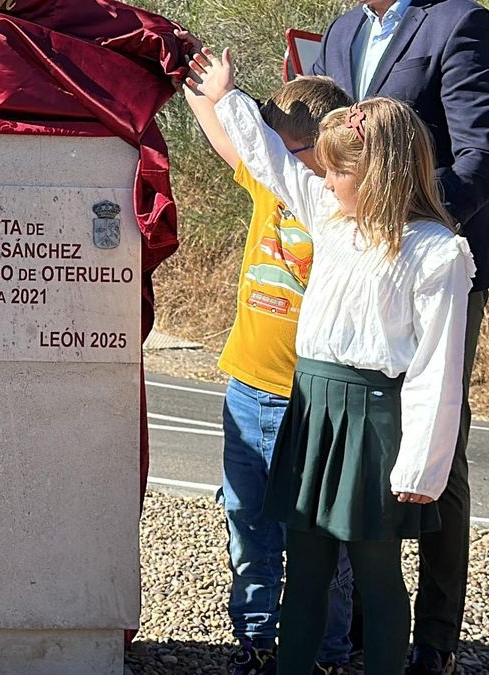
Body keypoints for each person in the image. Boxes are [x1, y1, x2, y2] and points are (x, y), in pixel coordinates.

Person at [188, 48, 474, 674]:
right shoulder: (331, 217)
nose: (320, 179)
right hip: (312, 411)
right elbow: (269, 161)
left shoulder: (437, 253)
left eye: (335, 171)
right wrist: (226, 97)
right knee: (308, 568)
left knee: (375, 572)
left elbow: (435, 370)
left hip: (373, 421)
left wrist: (421, 467)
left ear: (376, 176)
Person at [310, 2, 489, 669]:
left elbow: (479, 152)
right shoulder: (340, 32)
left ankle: (435, 635)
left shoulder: (457, 23)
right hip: (353, 261)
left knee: (439, 437)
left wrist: (416, 226)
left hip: (432, 261)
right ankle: (359, 621)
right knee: (360, 432)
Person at [184, 74, 355, 674]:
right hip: (250, 383)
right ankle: (258, 641)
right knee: (248, 521)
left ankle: (329, 651)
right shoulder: (265, 179)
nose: (277, 154)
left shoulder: (344, 209)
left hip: (316, 396)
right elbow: (219, 125)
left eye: (290, 143)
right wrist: (193, 70)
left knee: (321, 536)